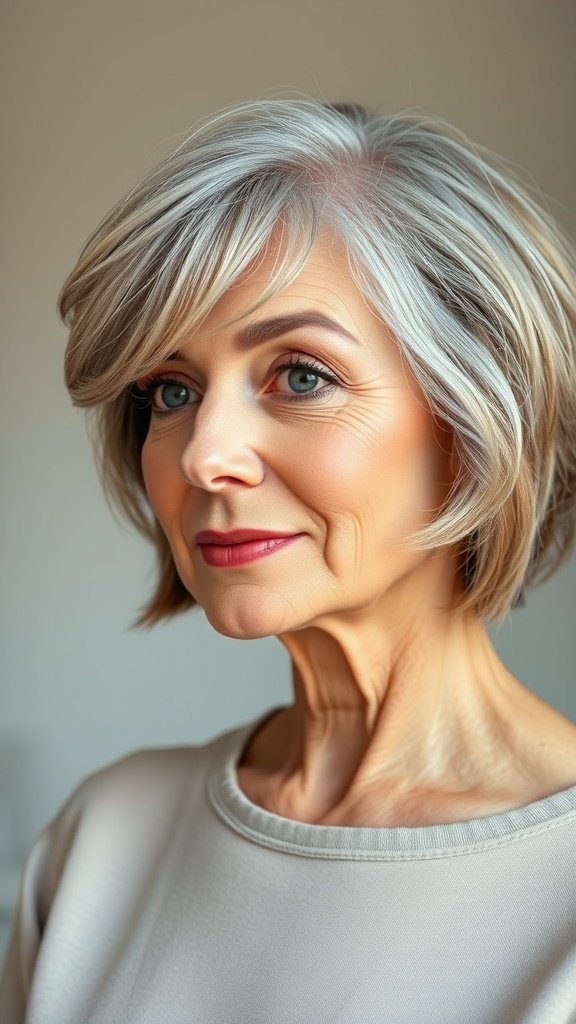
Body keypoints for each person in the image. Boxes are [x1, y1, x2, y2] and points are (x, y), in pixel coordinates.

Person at [1, 100, 575, 1023]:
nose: (201, 455)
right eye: (172, 390)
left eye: (300, 375)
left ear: (475, 420)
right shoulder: (103, 837)